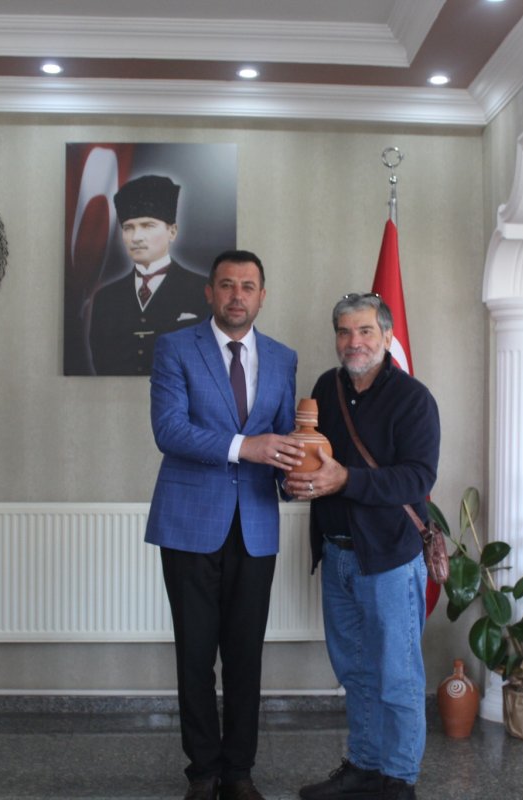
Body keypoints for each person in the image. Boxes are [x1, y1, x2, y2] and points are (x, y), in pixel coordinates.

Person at [146, 249, 305, 800]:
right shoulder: (175, 348)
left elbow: (282, 440)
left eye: (248, 286)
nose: (238, 295)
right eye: (227, 285)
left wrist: (295, 479)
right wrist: (246, 446)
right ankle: (202, 772)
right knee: (195, 655)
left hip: (256, 524)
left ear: (262, 296)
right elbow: (169, 430)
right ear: (209, 293)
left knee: (245, 655)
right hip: (189, 523)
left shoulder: (283, 358)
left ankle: (238, 771)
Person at [285, 293, 440, 800]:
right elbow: (311, 459)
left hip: (390, 559)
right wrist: (296, 481)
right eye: (345, 332)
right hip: (337, 555)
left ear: (388, 336)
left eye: (366, 331)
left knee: (397, 675)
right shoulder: (324, 389)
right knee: (354, 672)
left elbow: (417, 479)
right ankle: (366, 767)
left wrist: (345, 479)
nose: (355, 342)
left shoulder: (414, 399)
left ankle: (399, 779)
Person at [89, 174, 209, 375]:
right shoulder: (105, 298)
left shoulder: (203, 290)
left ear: (172, 232)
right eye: (128, 228)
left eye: (148, 226)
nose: (136, 237)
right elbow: (101, 364)